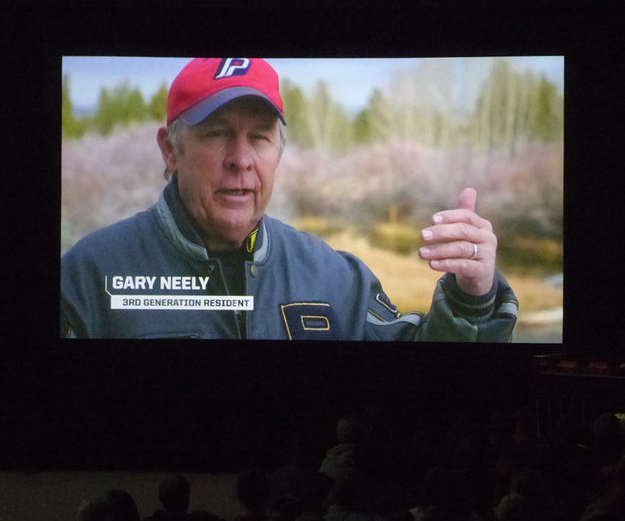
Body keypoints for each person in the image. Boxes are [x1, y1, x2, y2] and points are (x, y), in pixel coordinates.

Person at [61, 57, 518, 340]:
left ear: (279, 152)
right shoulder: (87, 275)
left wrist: (471, 298)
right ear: (170, 149)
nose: (240, 159)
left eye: (259, 138)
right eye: (218, 134)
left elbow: (418, 387)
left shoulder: (336, 277)